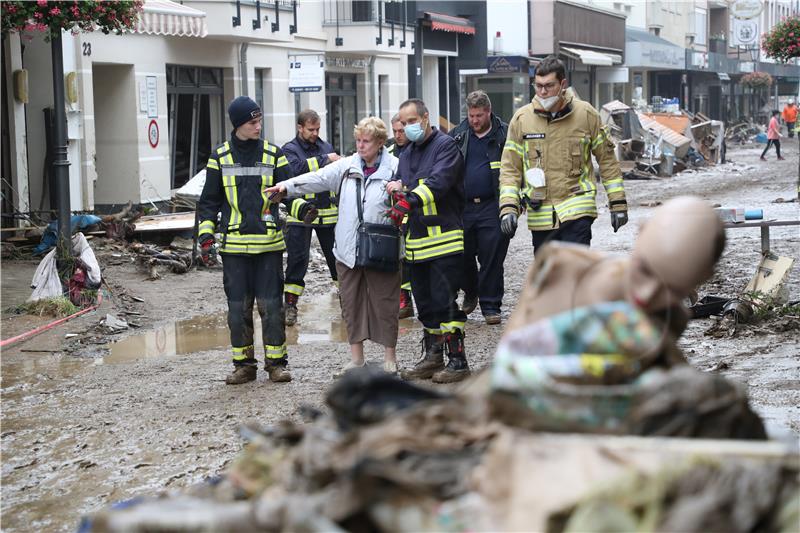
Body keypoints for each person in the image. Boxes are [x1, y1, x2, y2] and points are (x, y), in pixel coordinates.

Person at [266, 117, 401, 375]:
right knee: (351, 302)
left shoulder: (395, 167)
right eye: (358, 140)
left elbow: (410, 192)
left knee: (385, 301)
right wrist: (286, 187)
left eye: (366, 141)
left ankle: (389, 357)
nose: (360, 146)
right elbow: (317, 178)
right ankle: (357, 358)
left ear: (381, 143)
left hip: (382, 245)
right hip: (348, 247)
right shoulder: (347, 166)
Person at [198, 96, 307, 385]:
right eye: (252, 122)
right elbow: (208, 203)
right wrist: (206, 235)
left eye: (259, 121)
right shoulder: (219, 157)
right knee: (237, 310)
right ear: (238, 125)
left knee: (272, 308)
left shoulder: (274, 154)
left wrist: (303, 209)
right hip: (234, 250)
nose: (258, 126)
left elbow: (287, 195)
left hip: (268, 247)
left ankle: (276, 364)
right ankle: (244, 366)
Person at [499, 55, 628, 252]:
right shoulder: (522, 119)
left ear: (563, 84)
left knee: (575, 273)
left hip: (578, 210)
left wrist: (617, 203)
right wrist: (508, 207)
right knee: (549, 278)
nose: (543, 92)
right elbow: (510, 168)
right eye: (538, 85)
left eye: (549, 85)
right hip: (541, 215)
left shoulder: (585, 114)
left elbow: (607, 161)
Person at [386, 98, 469, 384]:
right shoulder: (407, 154)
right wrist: (395, 191)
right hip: (417, 243)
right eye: (403, 123)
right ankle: (433, 357)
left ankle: (458, 361)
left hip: (445, 239)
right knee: (425, 303)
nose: (407, 127)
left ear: (425, 118)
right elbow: (402, 184)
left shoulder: (445, 146)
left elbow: (438, 182)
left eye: (412, 121)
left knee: (445, 301)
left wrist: (407, 200)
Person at [449, 90, 509, 325]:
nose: (474, 120)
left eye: (479, 116)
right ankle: (471, 290)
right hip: (463, 207)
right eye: (471, 115)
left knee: (491, 257)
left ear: (488, 112)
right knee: (461, 255)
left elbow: (516, 166)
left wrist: (514, 202)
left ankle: (491, 305)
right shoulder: (458, 134)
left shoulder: (504, 134)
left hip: (492, 205)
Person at [281, 109, 341, 326]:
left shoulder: (325, 147)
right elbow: (295, 169)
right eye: (311, 129)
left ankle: (347, 302)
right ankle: (290, 305)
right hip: (302, 214)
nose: (315, 133)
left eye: (317, 129)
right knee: (298, 261)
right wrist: (325, 160)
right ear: (300, 128)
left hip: (328, 215)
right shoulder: (290, 149)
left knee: (337, 259)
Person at [385, 113, 415, 319]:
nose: (398, 135)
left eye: (401, 131)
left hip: (415, 210)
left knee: (413, 258)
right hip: (395, 213)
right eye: (394, 131)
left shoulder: (417, 149)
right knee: (398, 257)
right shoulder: (387, 149)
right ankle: (404, 301)